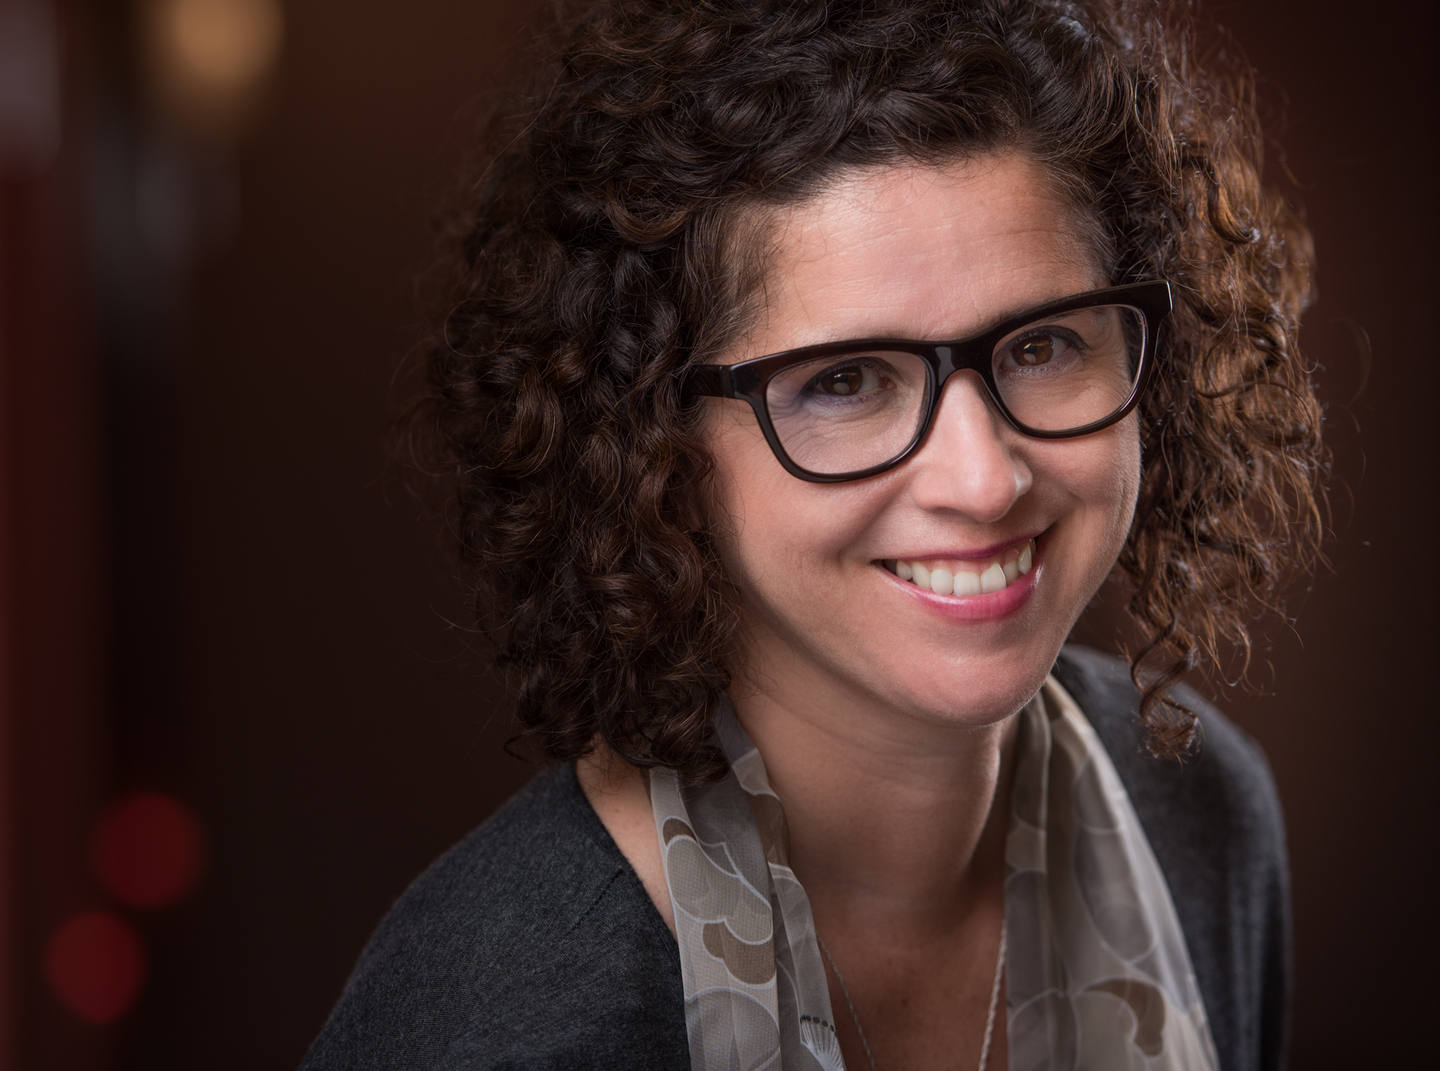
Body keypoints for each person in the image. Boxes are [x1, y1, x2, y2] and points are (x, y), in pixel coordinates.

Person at [301, 1, 1324, 1068]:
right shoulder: (507, 1028)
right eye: (845, 381)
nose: (983, 479)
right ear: (656, 442)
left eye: (1041, 347)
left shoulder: (1202, 816)